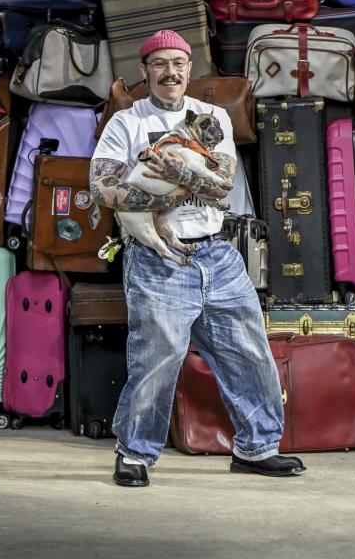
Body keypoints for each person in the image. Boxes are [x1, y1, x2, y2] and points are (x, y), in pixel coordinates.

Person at [90, 29, 306, 487]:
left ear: (190, 69)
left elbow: (222, 186)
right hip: (156, 256)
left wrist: (167, 180)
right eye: (160, 63)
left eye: (178, 63)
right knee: (158, 356)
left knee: (249, 350)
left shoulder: (213, 117)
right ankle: (134, 454)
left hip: (216, 251)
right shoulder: (125, 123)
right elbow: (102, 188)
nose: (170, 72)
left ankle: (257, 447)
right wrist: (167, 197)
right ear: (145, 71)